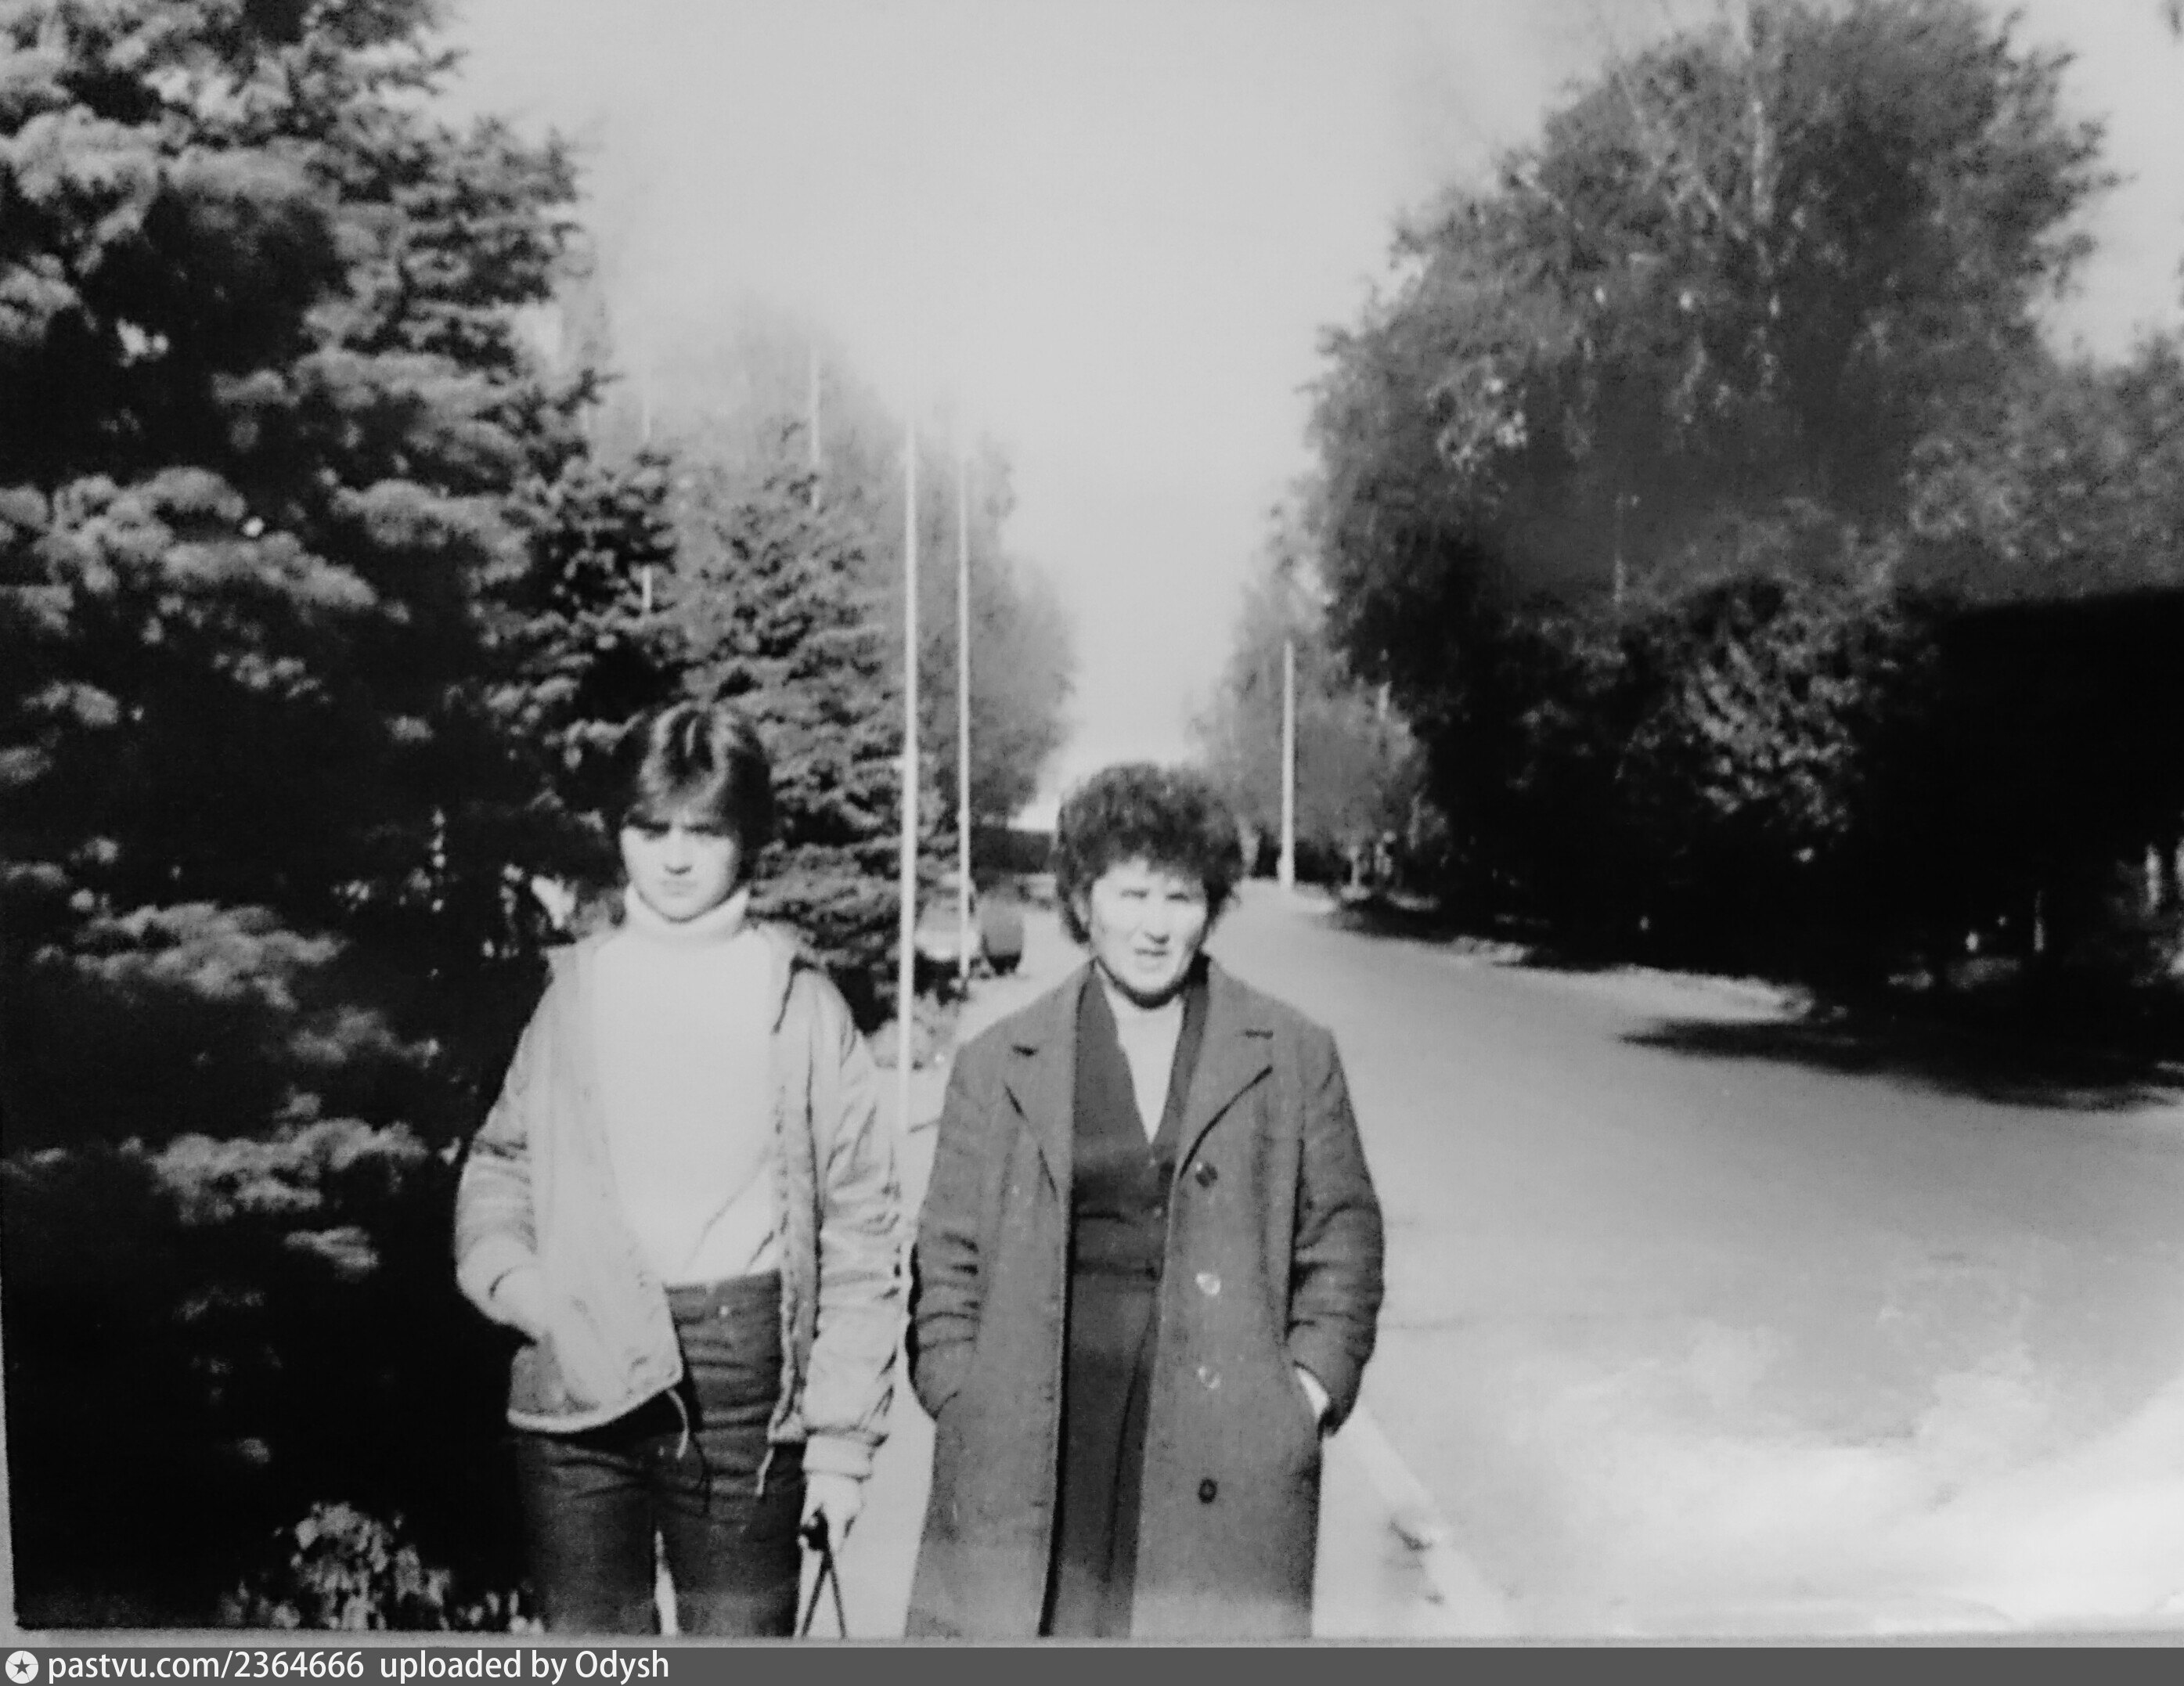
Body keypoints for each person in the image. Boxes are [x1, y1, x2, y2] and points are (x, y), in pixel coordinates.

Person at [905, 763, 1386, 1640]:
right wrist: (959, 1389)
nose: (1156, 927)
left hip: (1225, 1440)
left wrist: (1304, 1397)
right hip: (1039, 1429)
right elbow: (947, 1253)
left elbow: (1343, 1242)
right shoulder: (997, 1061)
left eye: (1181, 897)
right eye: (1131, 895)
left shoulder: (1292, 1053)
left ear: (1212, 905)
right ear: (1081, 901)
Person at [453, 701, 903, 1636]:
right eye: (650, 828)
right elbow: (500, 1162)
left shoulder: (804, 1007)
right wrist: (526, 1291)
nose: (675, 857)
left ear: (750, 838)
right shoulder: (571, 993)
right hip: (576, 1375)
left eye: (706, 831)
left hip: (744, 1386)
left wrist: (841, 1445)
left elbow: (862, 1231)